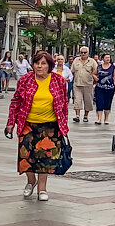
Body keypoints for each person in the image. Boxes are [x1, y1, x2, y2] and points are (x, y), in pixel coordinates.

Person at [7, 51, 70, 202]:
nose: (39, 66)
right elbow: (15, 101)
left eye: (43, 63)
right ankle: (30, 180)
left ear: (49, 66)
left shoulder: (58, 80)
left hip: (50, 125)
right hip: (28, 123)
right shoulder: (25, 80)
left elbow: (64, 103)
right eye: (37, 63)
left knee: (45, 159)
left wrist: (63, 124)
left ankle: (42, 188)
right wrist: (11, 122)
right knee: (26, 156)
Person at [71, 47, 97, 123]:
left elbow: (96, 71)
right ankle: (77, 116)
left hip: (88, 84)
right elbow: (72, 71)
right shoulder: (76, 60)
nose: (83, 54)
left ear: (88, 53)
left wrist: (94, 78)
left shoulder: (92, 61)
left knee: (88, 101)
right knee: (77, 100)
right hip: (77, 84)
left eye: (85, 52)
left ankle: (86, 116)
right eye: (81, 52)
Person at [95, 54, 115, 125]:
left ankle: (106, 118)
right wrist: (95, 77)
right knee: (99, 102)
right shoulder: (99, 67)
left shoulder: (113, 67)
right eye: (106, 57)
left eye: (109, 57)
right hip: (100, 87)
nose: (108, 59)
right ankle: (99, 118)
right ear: (102, 59)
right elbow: (94, 73)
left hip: (110, 88)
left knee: (108, 103)